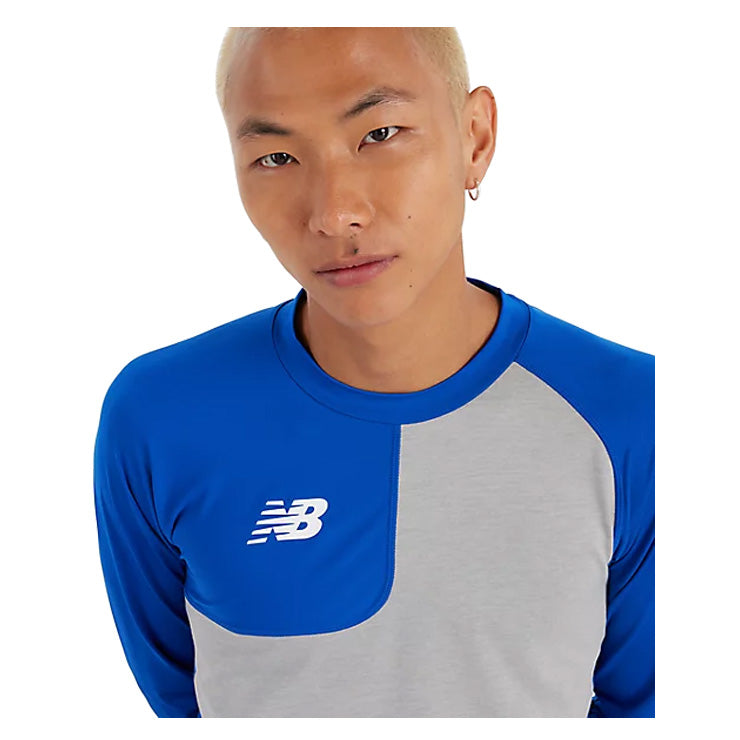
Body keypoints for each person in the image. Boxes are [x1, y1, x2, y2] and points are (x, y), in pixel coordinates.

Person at [93, 27, 655, 718]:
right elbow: (184, 703)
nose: (335, 214)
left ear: (475, 138)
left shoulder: (636, 416)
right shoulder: (162, 419)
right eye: (276, 156)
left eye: (380, 134)